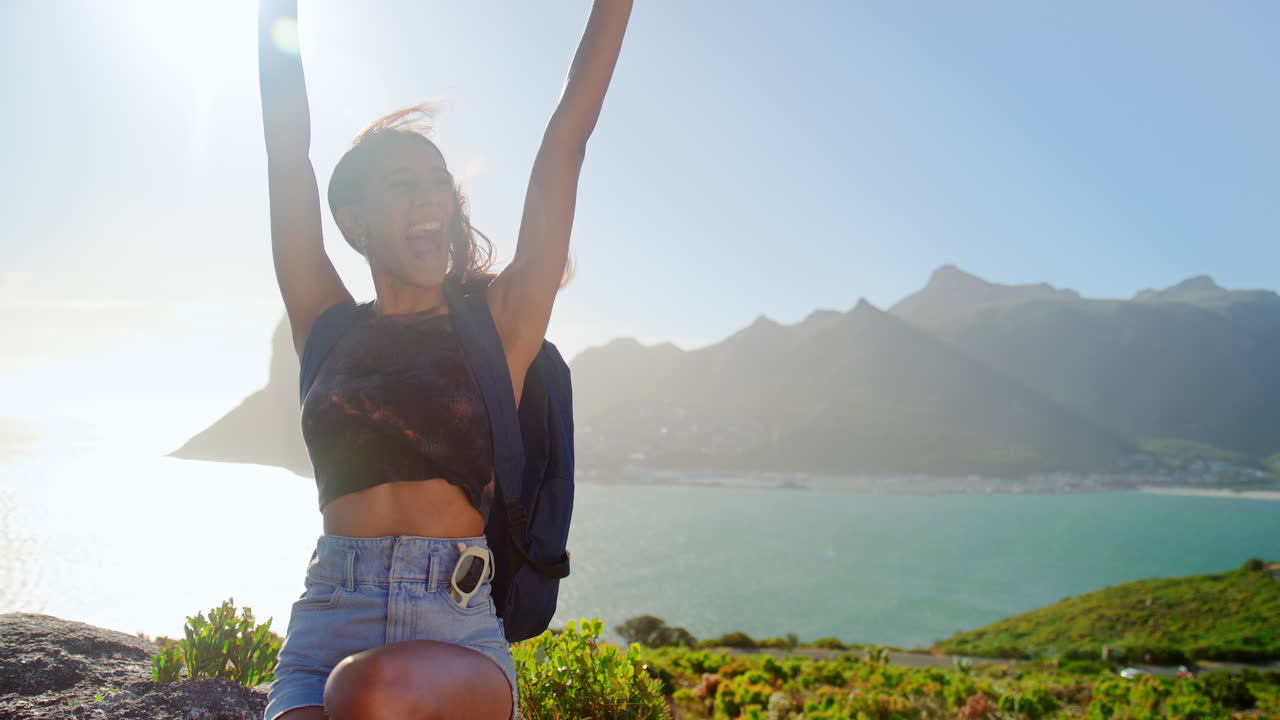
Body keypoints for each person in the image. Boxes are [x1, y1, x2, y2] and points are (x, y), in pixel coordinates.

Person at [256, 1, 631, 718]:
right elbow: (285, 151)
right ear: (356, 222)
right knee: (340, 692)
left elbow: (568, 140)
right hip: (325, 623)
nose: (432, 198)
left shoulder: (501, 327)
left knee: (365, 692)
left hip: (452, 635)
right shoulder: (328, 326)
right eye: (405, 185)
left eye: (438, 184)